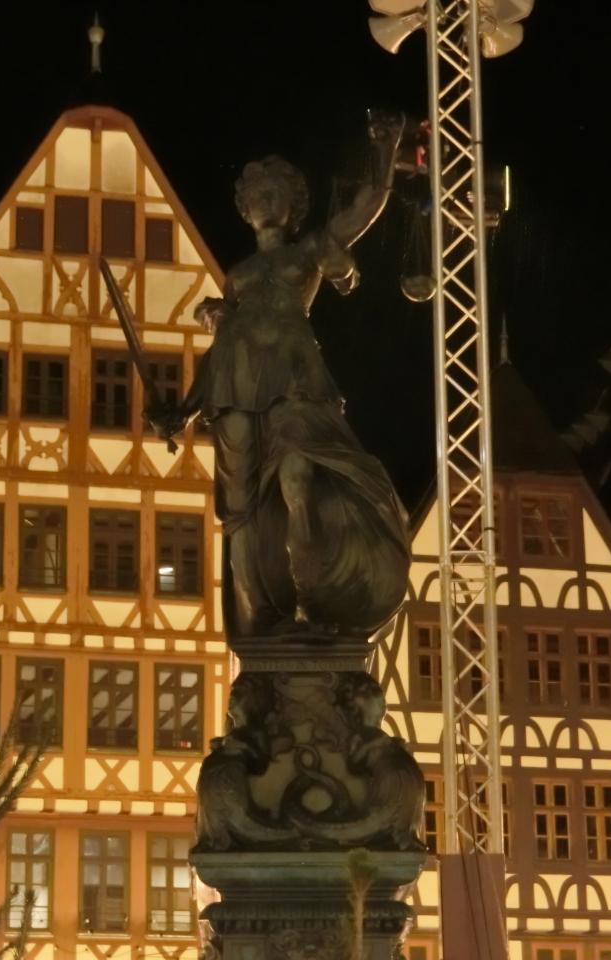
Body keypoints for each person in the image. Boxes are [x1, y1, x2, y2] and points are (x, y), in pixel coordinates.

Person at [151, 112, 410, 641]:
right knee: (240, 513)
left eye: (276, 194)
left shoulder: (307, 251)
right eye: (257, 196)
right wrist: (184, 410)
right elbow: (222, 348)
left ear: (294, 207)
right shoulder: (238, 276)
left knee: (297, 470)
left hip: (295, 380)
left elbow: (363, 208)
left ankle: (312, 591)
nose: (266, 201)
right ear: (246, 209)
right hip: (236, 388)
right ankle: (260, 619)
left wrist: (385, 151)